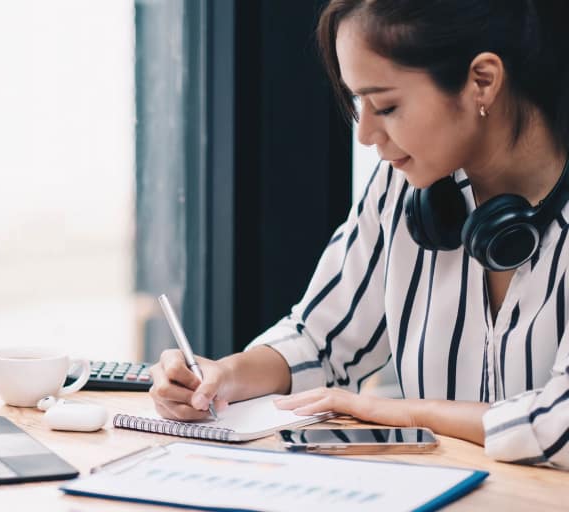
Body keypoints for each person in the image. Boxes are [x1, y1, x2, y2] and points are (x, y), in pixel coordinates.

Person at [149, 0, 569, 469]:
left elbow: (561, 424)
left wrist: (397, 413)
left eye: (386, 105)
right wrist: (223, 376)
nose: (366, 134)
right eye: (357, 103)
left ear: (482, 81)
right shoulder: (405, 187)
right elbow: (318, 341)